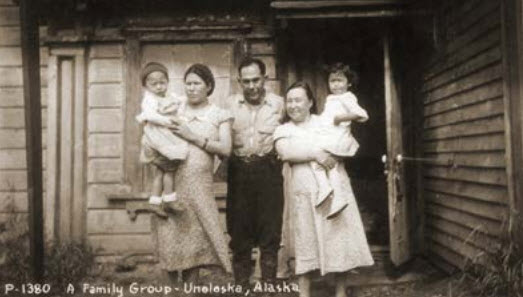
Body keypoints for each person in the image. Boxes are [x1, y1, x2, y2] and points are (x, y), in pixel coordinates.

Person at [274, 81, 374, 297]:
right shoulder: (283, 129)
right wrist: (318, 154)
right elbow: (287, 152)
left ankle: (340, 292)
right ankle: (304, 293)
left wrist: (333, 154)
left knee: (338, 238)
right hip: (302, 194)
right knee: (305, 241)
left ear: (310, 102)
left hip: (335, 189)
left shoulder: (325, 122)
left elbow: (345, 142)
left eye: (298, 100)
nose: (293, 105)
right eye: (289, 101)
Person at [152, 63, 233, 284]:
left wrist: (193, 136)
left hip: (199, 189)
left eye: (196, 83)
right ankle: (171, 290)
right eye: (188, 84)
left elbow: (226, 149)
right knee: (170, 243)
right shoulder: (175, 108)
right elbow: (154, 133)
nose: (191, 88)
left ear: (208, 86)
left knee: (195, 246)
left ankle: (190, 291)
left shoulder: (219, 115)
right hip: (171, 186)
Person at [225, 57, 285, 287]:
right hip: (239, 172)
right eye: (246, 81)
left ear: (265, 79)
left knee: (270, 230)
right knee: (239, 232)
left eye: (256, 80)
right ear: (240, 81)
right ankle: (242, 287)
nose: (251, 86)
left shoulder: (280, 104)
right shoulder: (229, 105)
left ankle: (268, 285)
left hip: (269, 171)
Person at [307, 62, 369, 218]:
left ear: (348, 83)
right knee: (320, 162)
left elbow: (362, 115)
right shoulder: (331, 98)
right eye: (332, 81)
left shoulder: (347, 97)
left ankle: (332, 193)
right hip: (330, 135)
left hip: (338, 137)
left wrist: (342, 117)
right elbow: (327, 117)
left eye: (339, 80)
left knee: (320, 160)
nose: (335, 85)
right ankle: (328, 191)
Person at [136, 62, 187, 218]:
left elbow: (179, 101)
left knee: (161, 171)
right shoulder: (149, 99)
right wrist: (167, 121)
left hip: (164, 138)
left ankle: (155, 201)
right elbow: (151, 116)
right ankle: (170, 199)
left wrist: (182, 101)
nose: (159, 87)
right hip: (157, 139)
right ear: (146, 86)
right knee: (169, 169)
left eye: (162, 83)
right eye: (154, 84)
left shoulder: (168, 96)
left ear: (167, 82)